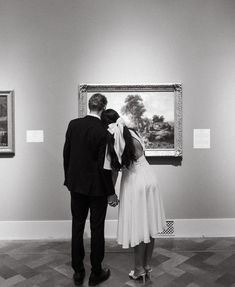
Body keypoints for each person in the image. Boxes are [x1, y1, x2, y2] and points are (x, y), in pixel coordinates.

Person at [101, 109, 167, 283]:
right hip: (150, 178)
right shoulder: (133, 132)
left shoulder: (113, 139)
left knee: (139, 227)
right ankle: (146, 266)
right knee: (150, 225)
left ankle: (138, 270)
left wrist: (111, 194)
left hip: (134, 182)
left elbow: (114, 170)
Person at [63, 94, 118, 286]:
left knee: (77, 227)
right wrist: (110, 191)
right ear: (103, 108)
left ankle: (78, 272)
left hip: (76, 186)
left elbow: (66, 154)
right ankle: (96, 273)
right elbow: (106, 166)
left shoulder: (73, 125)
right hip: (97, 189)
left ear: (89, 106)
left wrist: (69, 179)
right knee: (97, 229)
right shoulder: (104, 131)